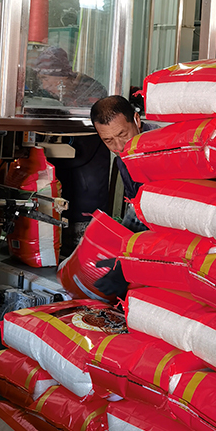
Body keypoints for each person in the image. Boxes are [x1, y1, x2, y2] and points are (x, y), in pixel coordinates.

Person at [89, 95, 155, 299]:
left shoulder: (158, 152)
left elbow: (152, 211)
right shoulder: (124, 159)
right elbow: (136, 208)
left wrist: (124, 266)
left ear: (136, 120)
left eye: (122, 135)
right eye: (108, 140)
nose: (118, 147)